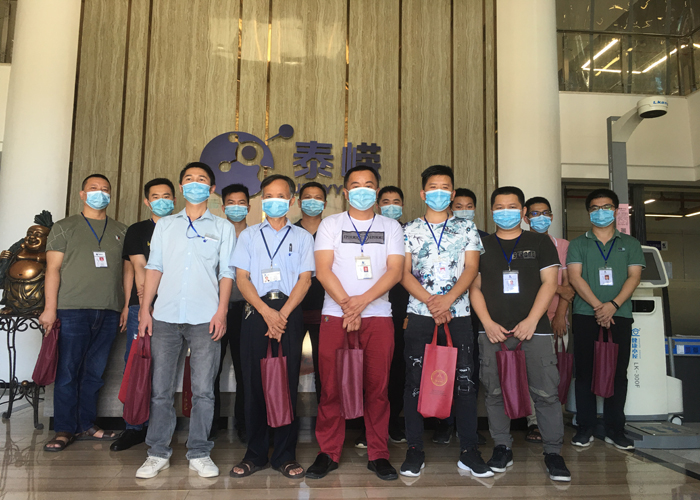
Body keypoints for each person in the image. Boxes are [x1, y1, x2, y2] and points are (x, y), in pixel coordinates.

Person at [135, 162, 234, 479]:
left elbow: (227, 272)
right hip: (165, 315)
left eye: (201, 179)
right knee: (160, 389)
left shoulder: (223, 228)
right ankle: (157, 452)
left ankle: (200, 452)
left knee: (203, 390)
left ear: (211, 188)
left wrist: (222, 311)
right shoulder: (165, 225)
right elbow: (155, 267)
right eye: (189, 179)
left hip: (206, 317)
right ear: (181, 187)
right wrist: (145, 309)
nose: (195, 183)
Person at [307, 166, 404, 481]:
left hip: (378, 316)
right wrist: (348, 306)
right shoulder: (330, 224)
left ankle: (378, 454)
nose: (362, 190)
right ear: (346, 192)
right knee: (331, 387)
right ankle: (328, 452)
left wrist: (360, 303)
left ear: (376, 191)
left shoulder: (391, 226)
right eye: (356, 185)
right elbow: (323, 270)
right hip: (335, 316)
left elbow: (395, 271)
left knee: (377, 388)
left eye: (369, 185)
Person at [469, 186, 571, 482]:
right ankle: (502, 447)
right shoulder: (481, 245)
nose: (506, 212)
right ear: (491, 211)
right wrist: (487, 322)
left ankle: (553, 453)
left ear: (523, 212)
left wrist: (531, 320)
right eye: (499, 207)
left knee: (546, 393)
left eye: (512, 206)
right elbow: (473, 286)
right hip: (493, 331)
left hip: (535, 332)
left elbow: (549, 283)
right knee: (495, 392)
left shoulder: (539, 242)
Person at [400, 165, 491, 478]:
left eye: (445, 188)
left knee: (465, 382)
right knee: (414, 382)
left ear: (452, 194)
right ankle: (414, 448)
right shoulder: (408, 230)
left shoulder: (467, 229)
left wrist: (447, 300)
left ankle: (469, 450)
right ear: (423, 193)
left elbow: (471, 268)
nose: (439, 192)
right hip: (420, 315)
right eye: (433, 187)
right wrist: (432, 302)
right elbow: (403, 273)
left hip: (459, 314)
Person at [229, 174, 314, 479]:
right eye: (268, 196)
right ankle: (255, 454)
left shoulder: (303, 237)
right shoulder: (249, 236)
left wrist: (282, 316)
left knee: (287, 383)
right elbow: (242, 279)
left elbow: (305, 280)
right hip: (256, 312)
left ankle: (284, 455)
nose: (274, 201)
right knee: (253, 383)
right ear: (261, 201)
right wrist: (266, 312)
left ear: (291, 201)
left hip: (289, 312)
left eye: (281, 196)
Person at [39, 173, 128, 452]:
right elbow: (52, 269)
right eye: (93, 188)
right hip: (71, 309)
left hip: (109, 310)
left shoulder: (121, 230)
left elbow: (127, 272)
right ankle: (64, 429)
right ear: (82, 194)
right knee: (67, 371)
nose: (99, 193)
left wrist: (126, 305)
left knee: (95, 373)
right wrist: (50, 309)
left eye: (105, 189)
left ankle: (87, 424)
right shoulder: (64, 227)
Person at [567, 188, 644, 451]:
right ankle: (585, 427)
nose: (601, 212)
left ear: (615, 210)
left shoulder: (630, 244)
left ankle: (615, 429)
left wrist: (613, 305)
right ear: (589, 212)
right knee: (584, 372)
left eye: (606, 207)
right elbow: (575, 277)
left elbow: (634, 277)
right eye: (595, 208)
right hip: (585, 314)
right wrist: (599, 307)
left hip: (619, 315)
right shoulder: (578, 243)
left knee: (617, 373)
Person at [112, 178, 176, 452]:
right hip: (144, 306)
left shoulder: (182, 227)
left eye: (166, 196)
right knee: (136, 363)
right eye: (156, 196)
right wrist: (141, 303)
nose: (162, 201)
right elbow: (139, 267)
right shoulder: (137, 230)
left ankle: (158, 427)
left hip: (175, 306)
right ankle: (133, 426)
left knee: (164, 367)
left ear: (174, 200)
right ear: (147, 201)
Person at [522, 196, 575, 445]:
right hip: (527, 319)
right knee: (529, 374)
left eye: (545, 213)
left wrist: (561, 315)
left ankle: (552, 424)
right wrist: (555, 287)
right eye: (534, 214)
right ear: (526, 218)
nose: (540, 218)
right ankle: (534, 422)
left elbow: (568, 288)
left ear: (552, 216)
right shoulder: (521, 244)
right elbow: (526, 283)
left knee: (553, 373)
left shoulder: (562, 246)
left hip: (556, 320)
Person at [448, 187, 488, 446]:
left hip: (474, 312)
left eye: (469, 206)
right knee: (442, 365)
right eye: (458, 206)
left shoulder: (485, 239)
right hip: (443, 309)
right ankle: (444, 424)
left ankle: (468, 428)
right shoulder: (439, 233)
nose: (464, 211)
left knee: (469, 369)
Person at [211, 183, 251, 443]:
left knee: (245, 370)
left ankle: (245, 424)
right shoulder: (213, 234)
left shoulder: (257, 235)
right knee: (210, 370)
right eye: (231, 203)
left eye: (241, 202)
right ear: (223, 207)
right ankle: (209, 424)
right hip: (214, 310)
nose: (236, 207)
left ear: (249, 206)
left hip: (247, 311)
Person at [375, 185, 408, 445]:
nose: (391, 206)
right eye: (385, 201)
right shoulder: (370, 231)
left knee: (398, 365)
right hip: (373, 304)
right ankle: (370, 423)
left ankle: (393, 420)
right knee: (373, 367)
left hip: (403, 306)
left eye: (396, 201)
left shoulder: (411, 233)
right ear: (378, 205)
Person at [295, 181, 327, 403]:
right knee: (289, 366)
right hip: (293, 310)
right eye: (307, 198)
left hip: (326, 310)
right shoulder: (290, 231)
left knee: (325, 369)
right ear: (298, 202)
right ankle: (287, 417)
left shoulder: (332, 231)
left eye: (317, 198)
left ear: (324, 203)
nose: (312, 202)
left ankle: (325, 416)